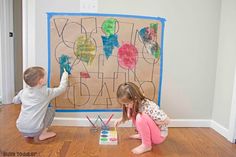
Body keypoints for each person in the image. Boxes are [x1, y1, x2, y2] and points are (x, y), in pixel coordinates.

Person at [12, 66, 68, 142]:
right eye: (45, 76)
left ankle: (28, 134)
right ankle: (43, 134)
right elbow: (62, 88)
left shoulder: (23, 92)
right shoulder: (46, 93)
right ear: (41, 81)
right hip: (35, 129)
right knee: (50, 110)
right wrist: (65, 75)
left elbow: (15, 101)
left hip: (21, 128)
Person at [114, 82, 170, 154]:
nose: (125, 106)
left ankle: (146, 145)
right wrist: (121, 120)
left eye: (127, 104)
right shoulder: (135, 104)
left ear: (135, 99)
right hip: (152, 134)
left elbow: (167, 120)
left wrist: (153, 122)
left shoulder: (148, 106)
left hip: (159, 137)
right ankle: (142, 135)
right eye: (124, 104)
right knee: (135, 114)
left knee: (140, 117)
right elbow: (130, 115)